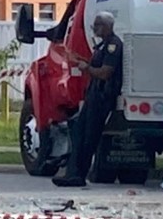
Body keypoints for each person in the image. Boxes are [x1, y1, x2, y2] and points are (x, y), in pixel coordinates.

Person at [52, 11, 124, 187]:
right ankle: (73, 173)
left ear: (107, 26)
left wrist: (86, 69)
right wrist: (80, 61)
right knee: (79, 132)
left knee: (89, 136)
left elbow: (106, 72)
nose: (95, 28)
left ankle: (78, 175)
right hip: (93, 95)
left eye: (98, 24)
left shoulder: (113, 45)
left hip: (102, 97)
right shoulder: (102, 46)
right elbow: (96, 65)